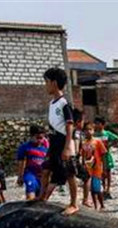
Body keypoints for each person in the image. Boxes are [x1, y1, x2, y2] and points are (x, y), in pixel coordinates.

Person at [40, 67, 78, 215]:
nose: (45, 85)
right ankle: (42, 197)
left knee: (69, 174)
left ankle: (74, 203)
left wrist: (68, 146)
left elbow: (70, 124)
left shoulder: (64, 103)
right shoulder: (52, 103)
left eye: (47, 82)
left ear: (54, 83)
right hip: (54, 143)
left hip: (64, 142)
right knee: (46, 169)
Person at [79, 122, 107, 210]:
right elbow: (82, 155)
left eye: (90, 129)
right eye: (86, 130)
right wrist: (83, 165)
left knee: (97, 188)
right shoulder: (83, 143)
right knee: (91, 189)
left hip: (97, 168)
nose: (88, 132)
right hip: (88, 168)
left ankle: (102, 205)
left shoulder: (97, 142)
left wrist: (104, 168)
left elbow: (103, 154)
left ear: (93, 131)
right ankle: (95, 206)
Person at [16, 125, 48, 201]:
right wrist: (20, 176)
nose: (40, 140)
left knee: (42, 200)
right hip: (30, 174)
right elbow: (21, 162)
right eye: (37, 138)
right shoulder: (25, 147)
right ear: (31, 136)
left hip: (42, 177)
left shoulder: (46, 149)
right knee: (31, 197)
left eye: (42, 138)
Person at [94, 117, 118, 199]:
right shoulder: (94, 135)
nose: (96, 125)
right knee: (100, 173)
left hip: (106, 156)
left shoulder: (107, 133)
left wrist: (109, 145)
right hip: (98, 157)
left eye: (98, 124)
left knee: (108, 172)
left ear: (103, 125)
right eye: (96, 124)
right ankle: (103, 188)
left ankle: (108, 189)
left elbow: (117, 139)